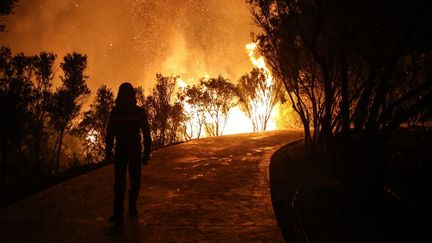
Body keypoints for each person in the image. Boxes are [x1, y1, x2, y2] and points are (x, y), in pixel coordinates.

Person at [105, 82, 152, 224]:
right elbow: (110, 133)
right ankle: (120, 213)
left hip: (131, 151)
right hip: (127, 151)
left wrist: (146, 153)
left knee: (131, 181)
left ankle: (129, 207)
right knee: (122, 182)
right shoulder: (122, 112)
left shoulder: (136, 112)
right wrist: (108, 151)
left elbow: (146, 133)